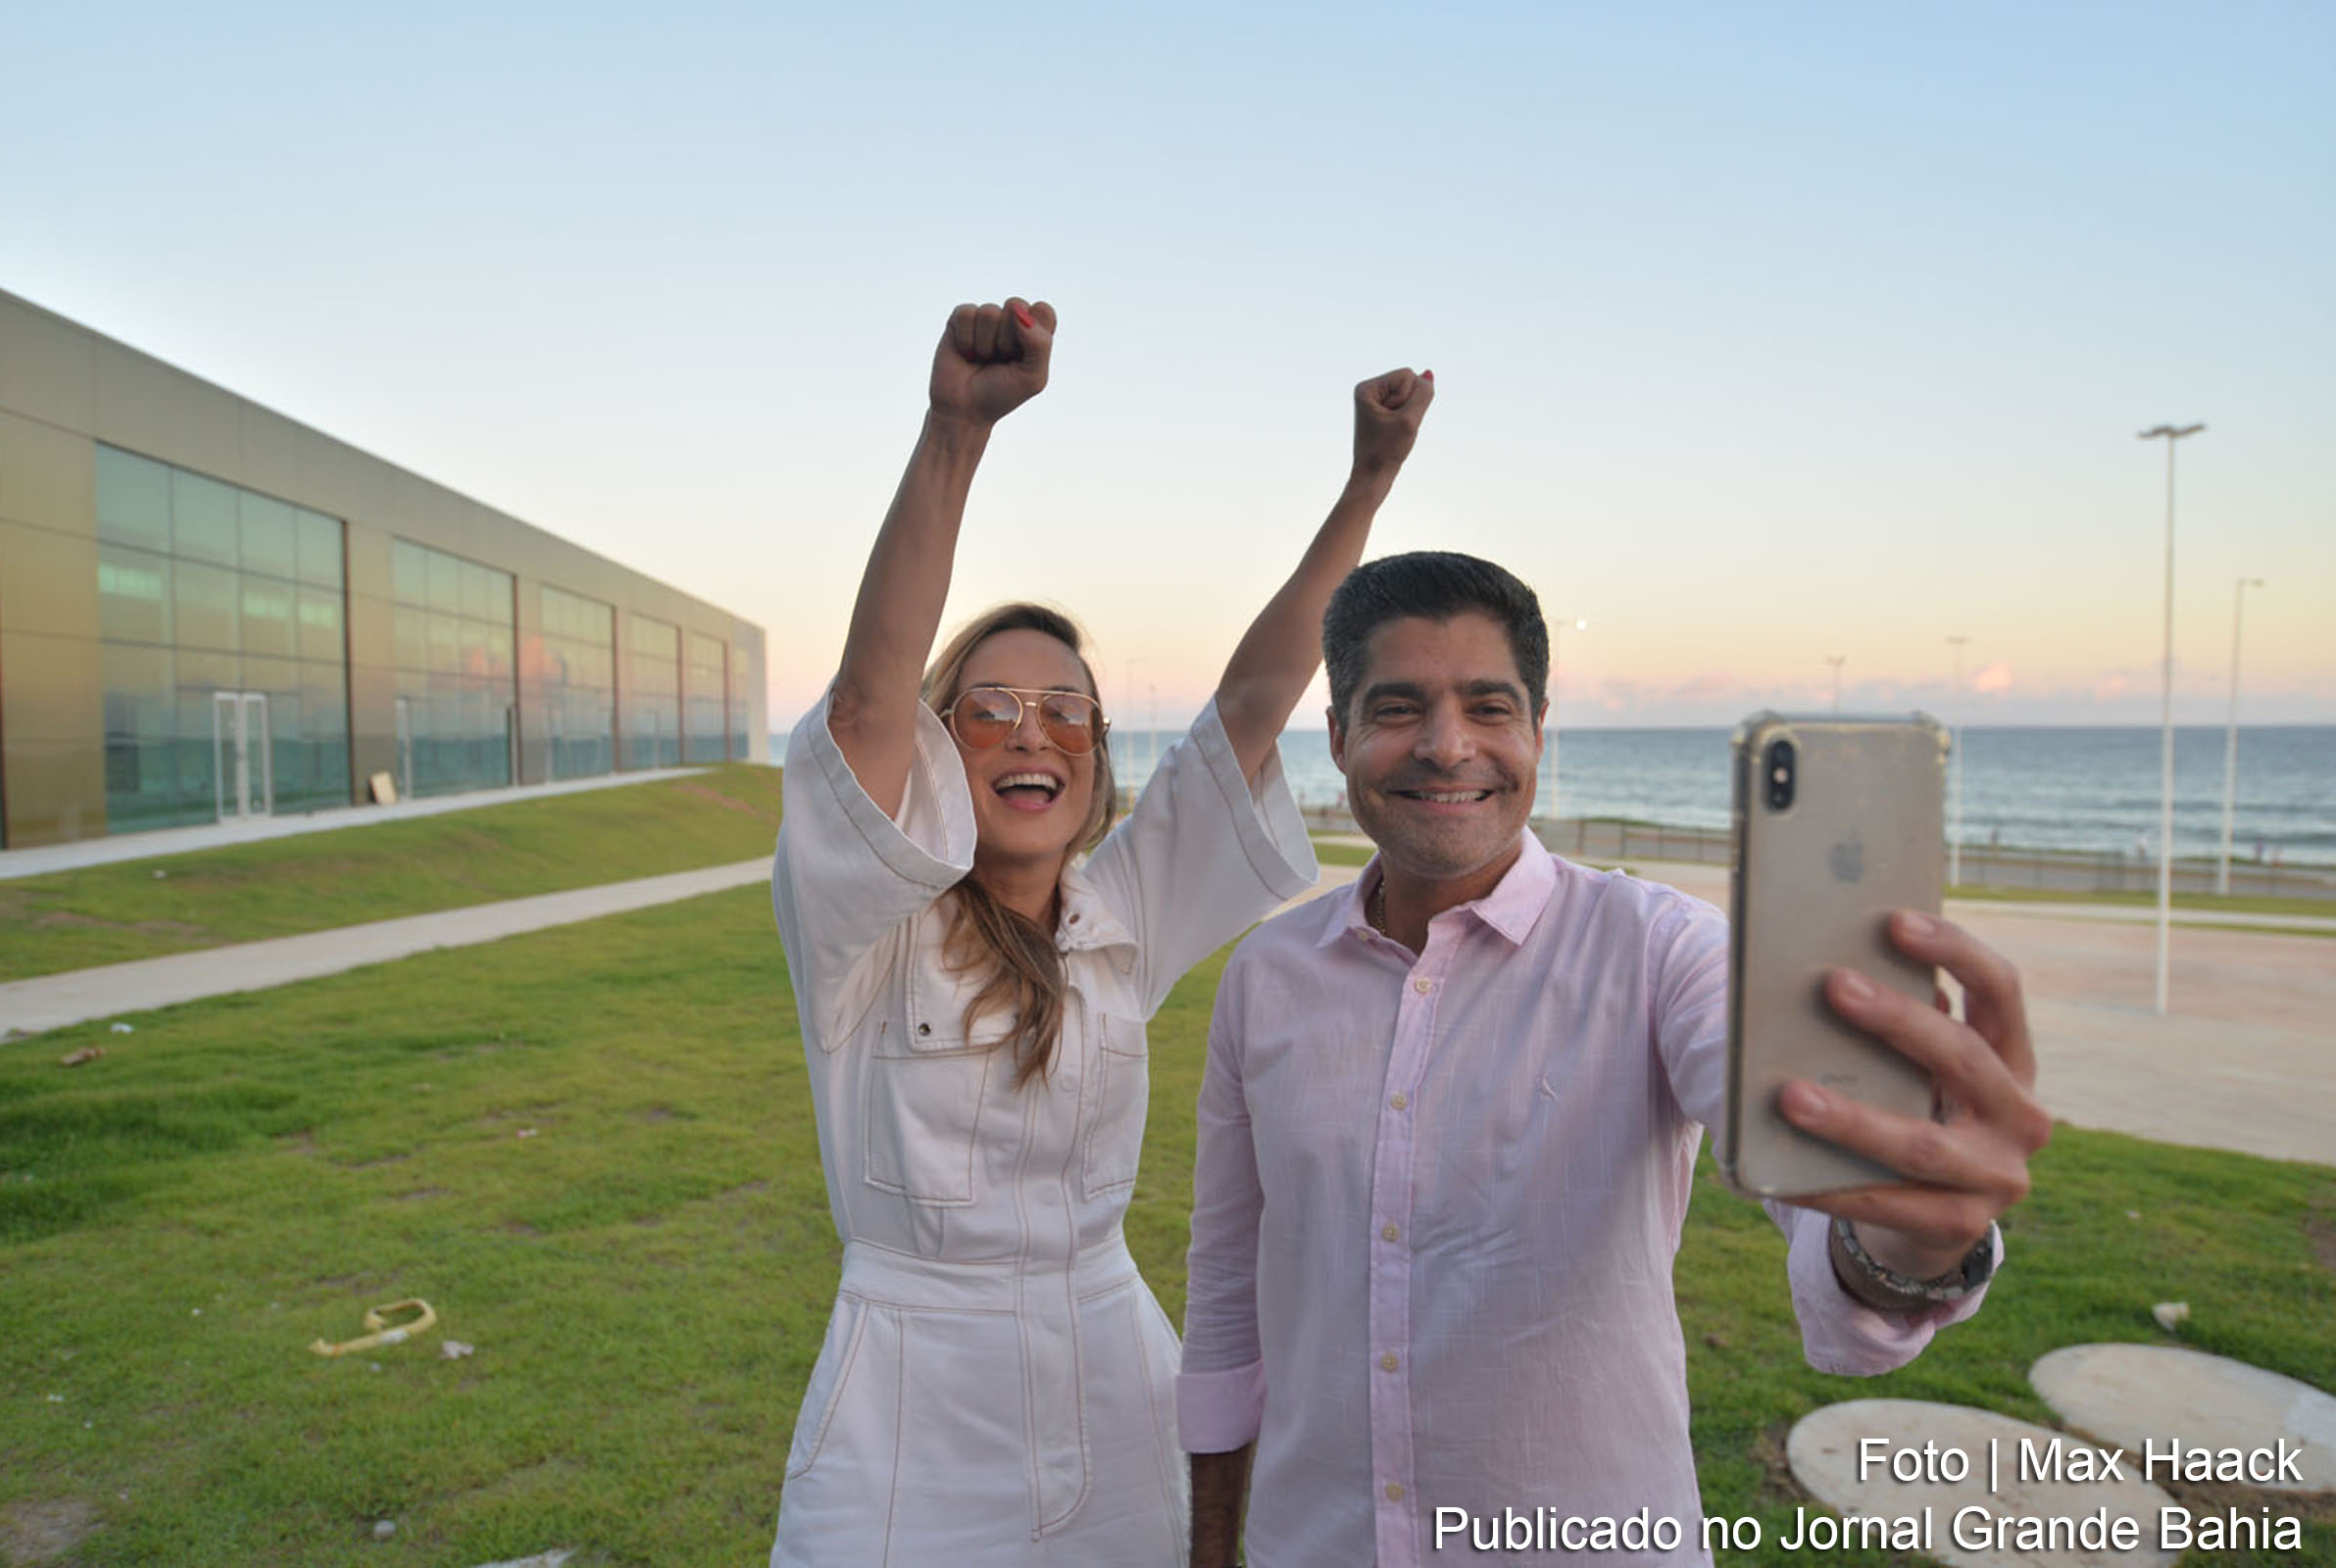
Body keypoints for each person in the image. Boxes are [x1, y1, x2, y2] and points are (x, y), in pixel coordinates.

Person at [1179, 552, 2050, 1567]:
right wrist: (1210, 1545)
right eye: (1399, 706)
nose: (1447, 745)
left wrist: (1906, 1241)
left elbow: (1807, 1182)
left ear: (1539, 730)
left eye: (1489, 706)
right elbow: (1227, 1288)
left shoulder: (1664, 950)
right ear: (1338, 737)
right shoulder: (1268, 974)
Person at [770, 297, 1432, 1565]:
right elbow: (863, 696)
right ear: (933, 745)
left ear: (1097, 759)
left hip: (1115, 1383)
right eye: (993, 707)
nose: (1035, 732)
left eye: (1069, 710)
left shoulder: (1121, 911)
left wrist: (1365, 485)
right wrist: (954, 433)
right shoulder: (861, 927)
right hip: (906, 1415)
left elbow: (1253, 697)